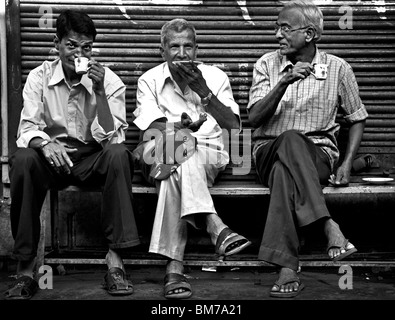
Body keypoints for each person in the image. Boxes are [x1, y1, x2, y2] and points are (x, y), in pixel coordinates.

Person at [4, 10, 139, 299]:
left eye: (86, 47)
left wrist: (100, 92)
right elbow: (27, 128)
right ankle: (26, 270)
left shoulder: (109, 80)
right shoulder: (39, 76)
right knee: (23, 159)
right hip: (51, 159)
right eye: (72, 45)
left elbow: (113, 137)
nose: (79, 53)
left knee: (118, 154)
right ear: (57, 44)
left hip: (91, 158)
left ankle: (115, 263)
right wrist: (45, 143)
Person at [247, 0, 368, 298]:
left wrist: (345, 163)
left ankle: (288, 265)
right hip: (268, 151)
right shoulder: (266, 64)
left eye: (285, 28)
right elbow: (254, 118)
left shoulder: (338, 68)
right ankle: (327, 224)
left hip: (318, 157)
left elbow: (357, 119)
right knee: (288, 140)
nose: (277, 34)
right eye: (277, 27)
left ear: (310, 34)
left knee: (284, 174)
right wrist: (283, 82)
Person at [133, 18, 251, 299]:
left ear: (197, 49)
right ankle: (214, 225)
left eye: (188, 46)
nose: (182, 53)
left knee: (184, 157)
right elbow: (153, 129)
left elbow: (234, 128)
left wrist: (204, 91)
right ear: (162, 51)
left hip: (209, 155)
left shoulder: (215, 77)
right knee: (184, 145)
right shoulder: (149, 80)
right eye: (174, 47)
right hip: (159, 152)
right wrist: (181, 129)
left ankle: (175, 266)